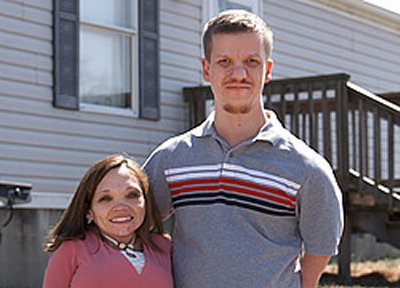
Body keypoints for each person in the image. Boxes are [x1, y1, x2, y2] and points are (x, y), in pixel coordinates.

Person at [143, 9, 344, 288]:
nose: (238, 73)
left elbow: (320, 245)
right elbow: (133, 224)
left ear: (268, 70)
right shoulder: (171, 158)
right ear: (206, 69)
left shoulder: (307, 169)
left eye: (251, 61)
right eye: (224, 61)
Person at [43, 154, 173, 288]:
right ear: (89, 211)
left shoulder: (164, 247)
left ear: (146, 202)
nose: (120, 207)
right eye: (106, 198)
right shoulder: (72, 249)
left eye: (132, 195)